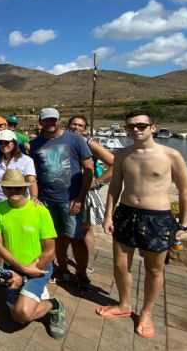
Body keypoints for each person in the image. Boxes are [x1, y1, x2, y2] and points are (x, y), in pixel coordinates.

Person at [98, 110, 187, 339]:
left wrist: (183, 225)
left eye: (141, 125)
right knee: (120, 266)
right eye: (130, 127)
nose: (135, 130)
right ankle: (124, 305)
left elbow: (185, 191)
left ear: (153, 127)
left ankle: (146, 313)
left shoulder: (171, 155)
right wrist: (109, 215)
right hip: (126, 213)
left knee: (154, 269)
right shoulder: (123, 155)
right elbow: (114, 187)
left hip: (158, 218)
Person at [0, 169, 66, 340]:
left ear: (25, 188)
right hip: (14, 268)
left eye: (18, 188)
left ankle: (54, 305)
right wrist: (18, 270)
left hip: (38, 267)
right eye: (9, 188)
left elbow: (50, 251)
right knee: (17, 318)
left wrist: (28, 271)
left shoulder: (40, 211)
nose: (14, 192)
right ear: (3, 189)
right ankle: (31, 295)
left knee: (23, 313)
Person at [30, 107, 93, 293]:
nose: (49, 123)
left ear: (59, 120)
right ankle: (62, 269)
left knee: (76, 239)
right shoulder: (36, 144)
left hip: (70, 199)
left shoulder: (74, 139)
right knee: (55, 237)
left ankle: (82, 275)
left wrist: (80, 197)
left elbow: (88, 167)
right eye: (45, 120)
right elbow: (34, 171)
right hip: (46, 200)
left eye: (53, 120)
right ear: (41, 122)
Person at [67, 115, 114, 273]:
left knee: (85, 228)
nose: (76, 128)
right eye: (74, 124)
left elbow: (114, 163)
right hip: (66, 190)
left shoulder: (89, 144)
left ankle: (85, 264)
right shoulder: (64, 140)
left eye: (80, 125)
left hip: (85, 192)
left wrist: (99, 181)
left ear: (85, 128)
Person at [0, 130, 38, 207]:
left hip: (19, 203)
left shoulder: (26, 160)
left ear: (14, 143)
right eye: (0, 142)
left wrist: (34, 197)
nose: (3, 145)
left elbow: (31, 181)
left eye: (6, 142)